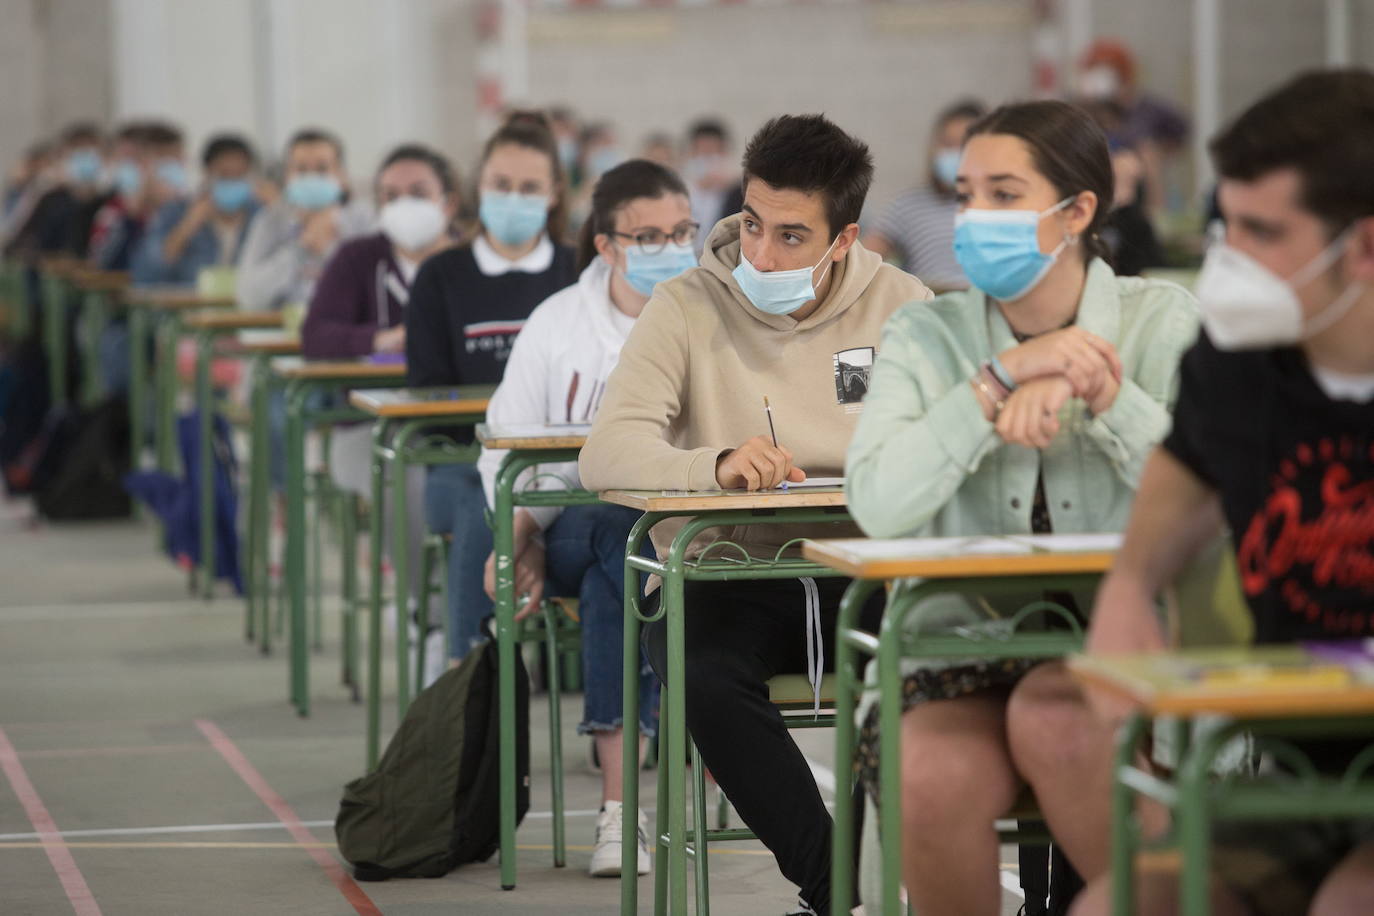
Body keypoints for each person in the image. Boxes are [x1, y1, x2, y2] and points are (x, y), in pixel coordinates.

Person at [1022, 69, 1374, 916]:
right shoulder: (1235, 365)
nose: (1230, 259)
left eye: (1262, 231)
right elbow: (1168, 513)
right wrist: (1130, 594)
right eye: (1225, 224)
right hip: (1299, 783)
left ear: (1362, 247)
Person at [844, 98, 1198, 916]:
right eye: (967, 195)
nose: (974, 217)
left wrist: (1103, 392)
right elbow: (878, 503)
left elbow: (1212, 501)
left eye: (1004, 195)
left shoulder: (1161, 322)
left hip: (1127, 651)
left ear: (1076, 212)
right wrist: (999, 380)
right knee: (927, 772)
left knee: (1058, 716)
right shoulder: (924, 336)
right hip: (959, 652)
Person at [579, 113, 931, 916]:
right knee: (701, 675)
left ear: (843, 239)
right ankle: (836, 887)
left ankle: (906, 879)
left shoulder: (904, 304)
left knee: (942, 665)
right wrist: (714, 466)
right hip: (732, 568)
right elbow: (608, 451)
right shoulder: (685, 306)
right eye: (751, 224)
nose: (760, 255)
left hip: (869, 564)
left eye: (791, 236)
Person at [475, 158, 693, 877]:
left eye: (682, 232)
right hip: (568, 528)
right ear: (606, 245)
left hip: (679, 538)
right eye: (650, 234)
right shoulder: (557, 323)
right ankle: (628, 807)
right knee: (609, 532)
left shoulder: (707, 314)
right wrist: (522, 539)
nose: (671, 246)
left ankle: (619, 814)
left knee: (615, 575)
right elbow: (507, 448)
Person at [406, 112, 577, 664]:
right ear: (478, 189)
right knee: (481, 495)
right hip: (461, 456)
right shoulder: (441, 276)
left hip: (565, 462)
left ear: (553, 195)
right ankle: (471, 669)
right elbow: (429, 395)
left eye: (529, 187)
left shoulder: (579, 273)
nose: (513, 198)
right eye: (501, 185)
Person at [299, 143, 462, 681]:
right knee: (407, 479)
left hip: (464, 430)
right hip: (369, 431)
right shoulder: (357, 258)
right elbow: (316, 335)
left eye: (418, 194)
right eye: (390, 196)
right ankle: (429, 616)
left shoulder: (470, 263)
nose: (403, 206)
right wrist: (378, 337)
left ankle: (475, 620)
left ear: (449, 202)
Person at [235, 128, 372, 313]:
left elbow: (373, 295)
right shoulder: (269, 221)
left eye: (322, 169)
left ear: (341, 175)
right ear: (287, 176)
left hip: (346, 332)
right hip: (279, 333)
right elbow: (247, 297)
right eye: (301, 169)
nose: (311, 177)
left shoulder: (363, 220)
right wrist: (299, 248)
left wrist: (328, 249)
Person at [862, 98, 985, 291]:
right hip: (932, 302)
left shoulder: (997, 208)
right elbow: (863, 261)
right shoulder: (907, 206)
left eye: (963, 145)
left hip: (988, 303)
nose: (954, 153)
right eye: (947, 144)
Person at [131, 133, 265, 285]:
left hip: (245, 307)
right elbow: (146, 273)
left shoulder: (260, 216)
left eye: (239, 175)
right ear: (207, 173)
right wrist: (187, 227)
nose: (232, 182)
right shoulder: (175, 212)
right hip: (187, 304)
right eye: (225, 175)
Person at [1077, 38, 1190, 215]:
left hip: (1140, 192)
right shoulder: (1085, 111)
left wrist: (1155, 155)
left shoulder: (1146, 109)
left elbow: (1180, 131)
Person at [681, 118, 743, 254]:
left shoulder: (738, 194)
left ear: (725, 153)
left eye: (713, 151)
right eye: (703, 151)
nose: (708, 158)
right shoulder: (677, 192)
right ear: (691, 152)